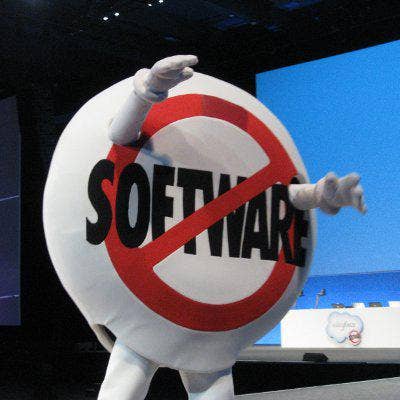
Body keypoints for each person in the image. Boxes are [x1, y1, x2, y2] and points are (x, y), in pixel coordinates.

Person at [98, 55, 366, 400]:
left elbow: (273, 193)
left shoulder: (236, 156)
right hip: (155, 299)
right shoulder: (165, 143)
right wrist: (148, 90)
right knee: (129, 374)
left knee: (208, 378)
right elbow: (119, 139)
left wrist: (320, 195)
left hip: (212, 305)